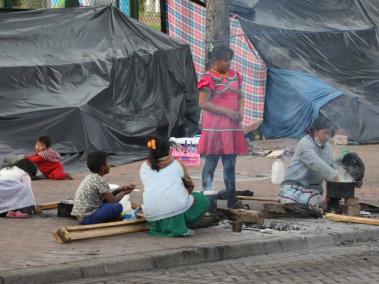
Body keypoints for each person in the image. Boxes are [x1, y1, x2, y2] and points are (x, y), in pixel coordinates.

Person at [197, 45, 248, 208]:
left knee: (230, 166)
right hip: (215, 129)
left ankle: (232, 199)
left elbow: (240, 96)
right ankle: (209, 200)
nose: (228, 63)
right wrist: (226, 112)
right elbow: (203, 103)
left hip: (232, 128)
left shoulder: (235, 76)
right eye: (225, 60)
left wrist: (240, 110)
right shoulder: (207, 79)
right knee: (210, 165)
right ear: (215, 60)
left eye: (230, 59)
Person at [140, 136, 209, 237]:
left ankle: (163, 227)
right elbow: (190, 185)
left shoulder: (144, 166)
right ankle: (181, 226)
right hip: (175, 208)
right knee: (202, 199)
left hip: (151, 213)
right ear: (168, 150)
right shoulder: (176, 163)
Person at [278, 116, 339, 207]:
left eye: (329, 133)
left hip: (313, 190)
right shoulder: (305, 142)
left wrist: (330, 195)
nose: (327, 136)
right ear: (315, 132)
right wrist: (334, 175)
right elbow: (314, 162)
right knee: (290, 199)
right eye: (325, 133)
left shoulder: (328, 148)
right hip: (293, 185)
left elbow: (331, 168)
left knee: (314, 201)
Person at [71, 151, 135, 225]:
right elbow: (112, 201)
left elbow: (107, 196)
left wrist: (120, 189)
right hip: (86, 218)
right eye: (108, 162)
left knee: (106, 202)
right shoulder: (99, 180)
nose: (110, 164)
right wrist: (124, 192)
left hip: (82, 216)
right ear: (102, 167)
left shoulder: (90, 177)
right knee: (118, 207)